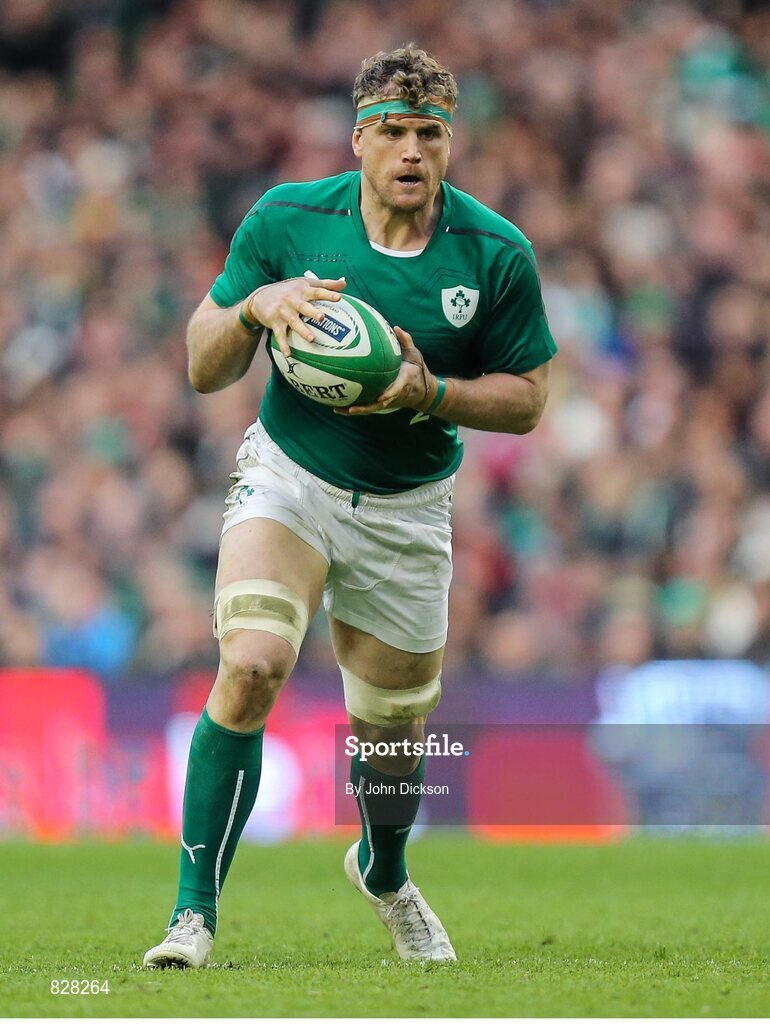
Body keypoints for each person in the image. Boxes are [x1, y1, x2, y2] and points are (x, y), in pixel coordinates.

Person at [143, 44, 556, 969]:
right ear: (359, 139)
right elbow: (203, 364)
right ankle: (191, 916)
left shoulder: (495, 252)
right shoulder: (287, 219)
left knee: (392, 735)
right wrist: (257, 306)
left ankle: (383, 870)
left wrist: (427, 392)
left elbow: (528, 399)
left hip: (410, 505)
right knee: (251, 663)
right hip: (291, 477)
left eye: (430, 134)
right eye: (394, 132)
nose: (412, 150)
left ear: (449, 143)